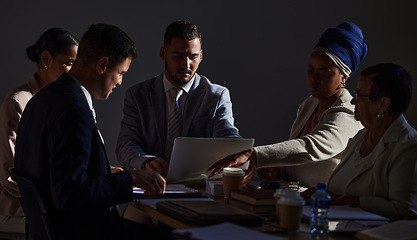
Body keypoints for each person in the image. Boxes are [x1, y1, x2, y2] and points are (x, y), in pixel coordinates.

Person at [14, 24, 170, 239]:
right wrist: (129, 177)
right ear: (103, 65)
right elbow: (70, 194)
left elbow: (56, 172)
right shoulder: (74, 110)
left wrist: (103, 172)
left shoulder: (42, 99)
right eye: (121, 73)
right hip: (81, 232)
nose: (120, 82)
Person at [207, 22, 367, 188]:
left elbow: (311, 146)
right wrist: (279, 170)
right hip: (296, 195)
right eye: (310, 70)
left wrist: (254, 155)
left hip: (325, 203)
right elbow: (297, 159)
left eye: (323, 73)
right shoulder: (309, 105)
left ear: (343, 78)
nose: (313, 78)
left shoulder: (348, 111)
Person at [116, 20, 240, 177]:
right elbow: (125, 145)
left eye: (193, 57)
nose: (186, 64)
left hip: (197, 187)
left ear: (201, 56)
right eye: (178, 56)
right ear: (163, 54)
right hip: (150, 184)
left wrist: (244, 154)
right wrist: (146, 162)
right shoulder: (138, 95)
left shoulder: (216, 96)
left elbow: (229, 139)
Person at [0, 27, 78, 234]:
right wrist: (56, 196)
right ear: (46, 59)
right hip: (19, 211)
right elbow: (9, 174)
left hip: (51, 205)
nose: (74, 72)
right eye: (69, 63)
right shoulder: (18, 102)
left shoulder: (63, 102)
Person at [327, 63, 417, 220]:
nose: (353, 102)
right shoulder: (359, 138)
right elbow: (335, 190)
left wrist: (352, 201)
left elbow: (405, 209)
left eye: (359, 95)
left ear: (383, 104)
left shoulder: (408, 146)